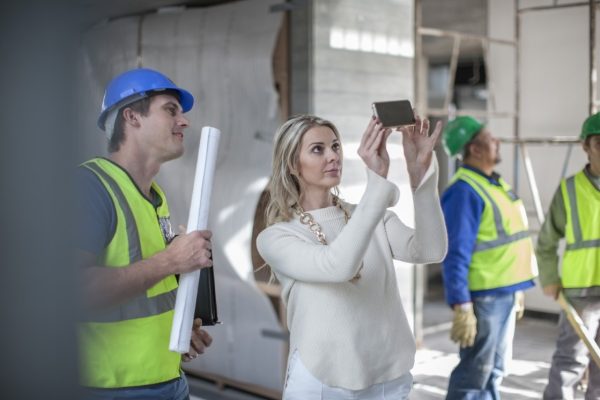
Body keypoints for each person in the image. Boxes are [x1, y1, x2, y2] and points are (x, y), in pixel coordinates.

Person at [257, 113, 447, 399]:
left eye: (335, 146)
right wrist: (377, 183)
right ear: (293, 165)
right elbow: (338, 266)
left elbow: (431, 249)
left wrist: (420, 177)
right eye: (317, 149)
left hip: (388, 376)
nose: (333, 156)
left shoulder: (370, 217)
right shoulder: (277, 237)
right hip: (323, 379)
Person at [76, 68, 214, 399]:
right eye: (171, 109)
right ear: (132, 116)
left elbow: (148, 293)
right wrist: (171, 260)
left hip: (168, 381)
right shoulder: (89, 188)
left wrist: (177, 327)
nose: (184, 122)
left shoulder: (155, 196)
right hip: (111, 389)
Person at [440, 116, 538, 399]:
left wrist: (516, 288)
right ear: (475, 149)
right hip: (484, 298)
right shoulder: (463, 191)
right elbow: (455, 252)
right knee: (475, 372)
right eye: (490, 138)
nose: (497, 142)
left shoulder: (494, 184)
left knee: (495, 369)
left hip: (504, 292)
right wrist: (462, 305)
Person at [538, 112, 600, 400]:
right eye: (599, 142)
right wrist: (550, 278)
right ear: (585, 146)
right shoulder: (570, 190)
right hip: (580, 291)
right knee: (570, 361)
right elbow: (547, 240)